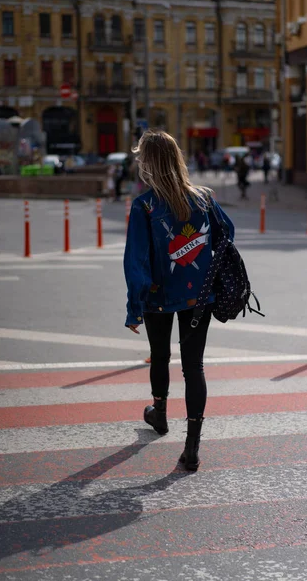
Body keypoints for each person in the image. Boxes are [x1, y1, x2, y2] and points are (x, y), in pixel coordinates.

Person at [123, 130, 234, 472]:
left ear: (150, 164)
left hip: (159, 296)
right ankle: (192, 447)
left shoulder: (145, 206)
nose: (139, 162)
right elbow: (226, 233)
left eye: (142, 157)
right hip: (199, 296)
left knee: (160, 354)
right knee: (194, 367)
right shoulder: (203, 198)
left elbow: (136, 262)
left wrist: (134, 307)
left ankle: (159, 412)